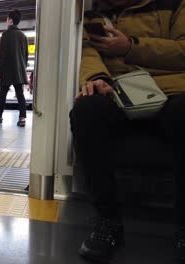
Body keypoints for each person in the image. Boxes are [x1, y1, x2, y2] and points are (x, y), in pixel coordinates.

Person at [70, 0, 185, 262]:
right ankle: (108, 222)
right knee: (86, 110)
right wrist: (96, 78)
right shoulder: (95, 16)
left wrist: (131, 47)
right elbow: (88, 53)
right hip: (119, 92)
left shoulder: (174, 5)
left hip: (171, 91)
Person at [0, 10, 28, 127]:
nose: (6, 21)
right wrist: (22, 69)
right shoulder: (24, 36)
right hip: (19, 71)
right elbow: (25, 56)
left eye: (7, 19)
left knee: (2, 95)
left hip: (7, 71)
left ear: (11, 20)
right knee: (20, 95)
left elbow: (2, 55)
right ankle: (22, 118)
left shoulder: (6, 35)